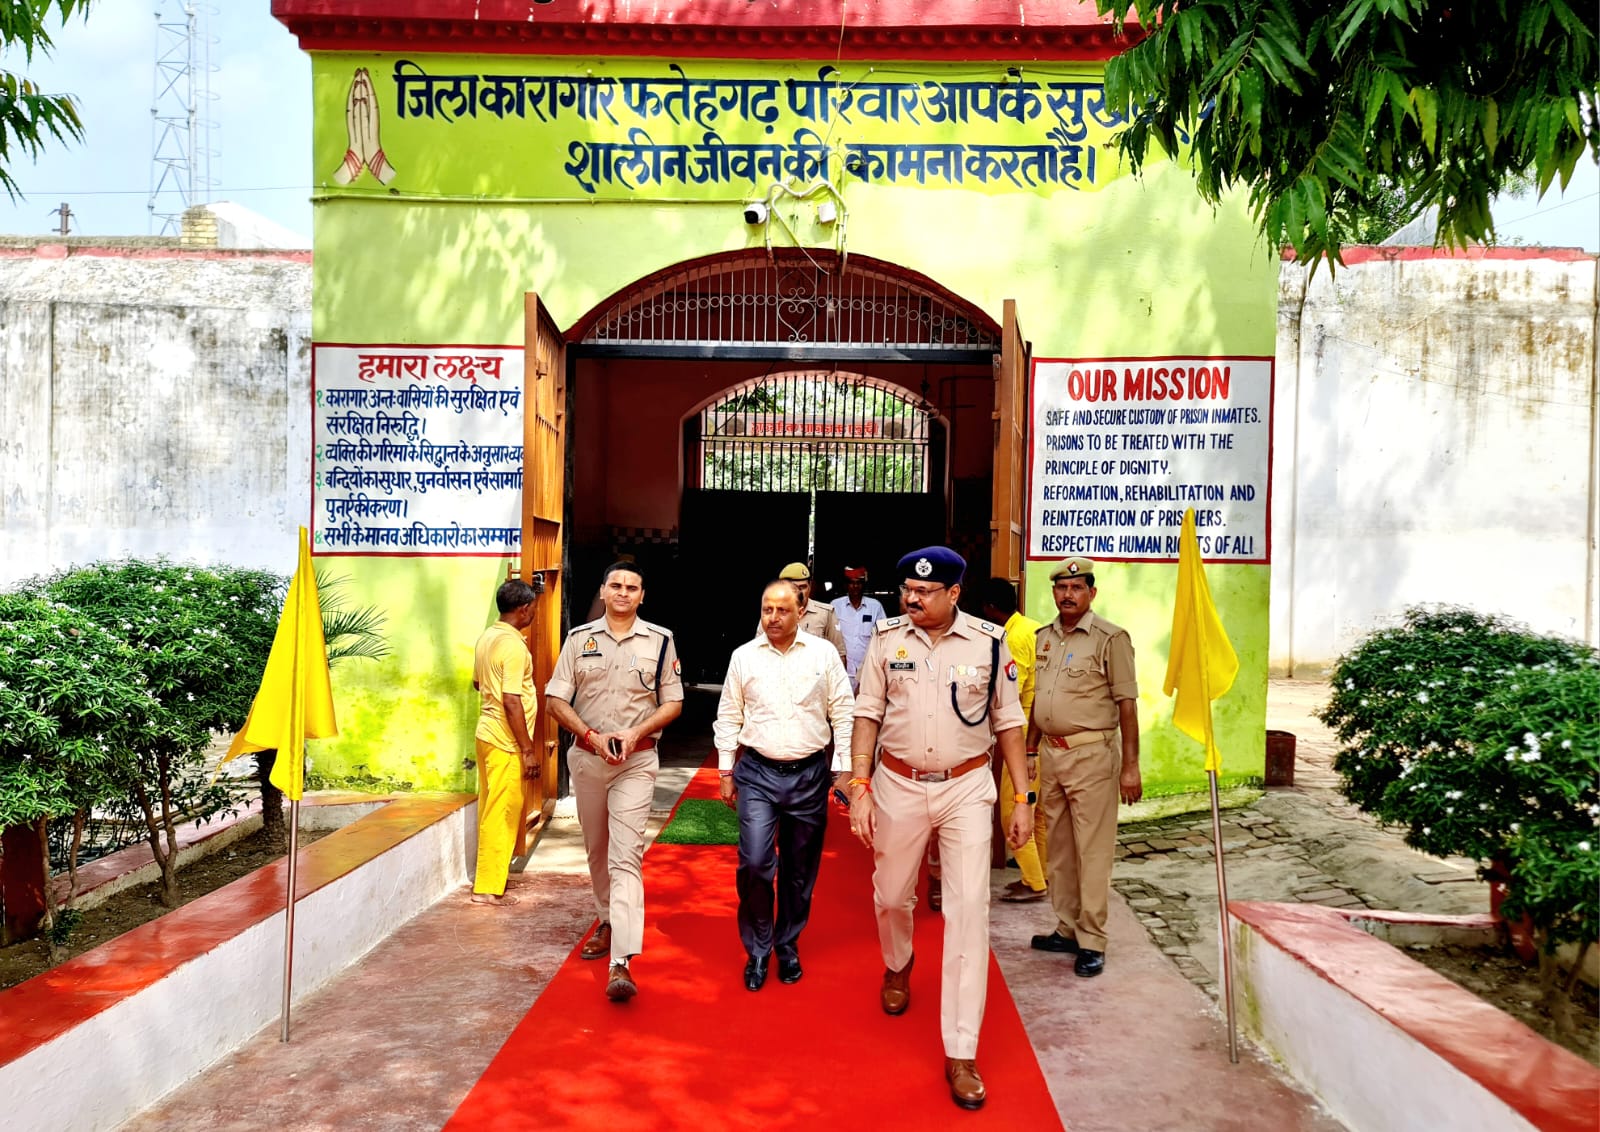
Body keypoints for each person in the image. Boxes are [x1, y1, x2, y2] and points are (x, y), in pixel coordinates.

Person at [847, 546, 1032, 1111]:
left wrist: (1022, 798)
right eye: (908, 589)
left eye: (925, 592)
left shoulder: (990, 642)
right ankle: (898, 962)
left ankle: (961, 1050)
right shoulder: (887, 639)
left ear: (954, 593)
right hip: (898, 783)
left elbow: (1009, 722)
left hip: (966, 787)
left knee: (968, 910)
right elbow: (867, 714)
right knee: (891, 896)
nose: (912, 598)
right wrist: (859, 785)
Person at [545, 561, 684, 1002]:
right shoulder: (577, 639)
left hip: (635, 762)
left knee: (626, 857)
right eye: (616, 585)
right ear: (603, 591)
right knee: (597, 848)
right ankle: (606, 918)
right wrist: (590, 736)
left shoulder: (660, 640)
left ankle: (620, 961)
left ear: (643, 596)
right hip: (587, 760)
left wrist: (634, 732)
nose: (624, 592)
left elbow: (673, 702)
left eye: (632, 587)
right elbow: (555, 699)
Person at [715, 581, 854, 991]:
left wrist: (842, 768)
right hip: (757, 772)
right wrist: (725, 770)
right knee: (755, 862)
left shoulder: (823, 654)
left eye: (782, 610)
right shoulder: (744, 656)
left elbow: (843, 711)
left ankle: (787, 943)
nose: (773, 618)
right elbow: (729, 714)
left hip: (809, 774)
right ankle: (759, 948)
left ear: (801, 611)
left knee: (799, 869)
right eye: (767, 610)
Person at [1027, 557, 1142, 978]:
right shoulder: (1044, 638)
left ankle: (1092, 939)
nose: (1068, 594)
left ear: (1092, 593)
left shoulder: (1111, 639)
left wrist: (1131, 767)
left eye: (1077, 587)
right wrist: (1030, 749)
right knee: (1059, 849)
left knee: (1092, 851)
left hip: (1092, 756)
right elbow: (1041, 700)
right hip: (1052, 755)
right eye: (1062, 588)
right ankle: (1067, 927)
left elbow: (1127, 705)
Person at [469, 578, 542, 907]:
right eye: (534, 607)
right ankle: (486, 888)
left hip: (487, 734)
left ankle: (491, 876)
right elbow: (511, 699)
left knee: (492, 809)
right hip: (505, 741)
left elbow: (478, 683)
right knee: (503, 813)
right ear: (524, 609)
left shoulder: (488, 637)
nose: (534, 613)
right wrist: (527, 750)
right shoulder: (512, 646)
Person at [980, 577, 1048, 904]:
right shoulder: (1034, 627)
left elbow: (1011, 692)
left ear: (990, 608)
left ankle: (1033, 882)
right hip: (1045, 729)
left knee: (1014, 807)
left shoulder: (1014, 637)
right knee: (1039, 811)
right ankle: (1041, 873)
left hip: (1023, 732)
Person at [769, 561, 848, 667]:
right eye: (794, 588)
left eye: (803, 587)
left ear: (810, 586)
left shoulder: (825, 614)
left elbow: (839, 656)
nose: (799, 593)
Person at [829, 565, 886, 689]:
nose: (855, 586)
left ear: (863, 585)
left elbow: (883, 638)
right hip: (841, 672)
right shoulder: (835, 605)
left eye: (858, 583)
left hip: (868, 671)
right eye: (851, 583)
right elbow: (829, 637)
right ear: (846, 585)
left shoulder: (875, 606)